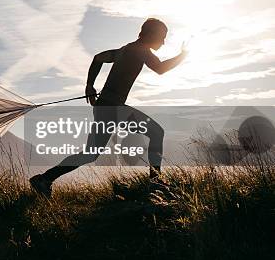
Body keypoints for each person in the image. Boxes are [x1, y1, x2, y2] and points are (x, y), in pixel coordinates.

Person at [30, 18, 188, 197]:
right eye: (162, 37)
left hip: (106, 106)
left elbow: (98, 58)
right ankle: (156, 183)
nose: (164, 42)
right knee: (156, 132)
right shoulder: (141, 50)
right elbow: (160, 68)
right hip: (113, 108)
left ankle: (44, 179)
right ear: (150, 34)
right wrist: (183, 55)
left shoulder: (125, 49)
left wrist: (90, 85)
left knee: (90, 154)